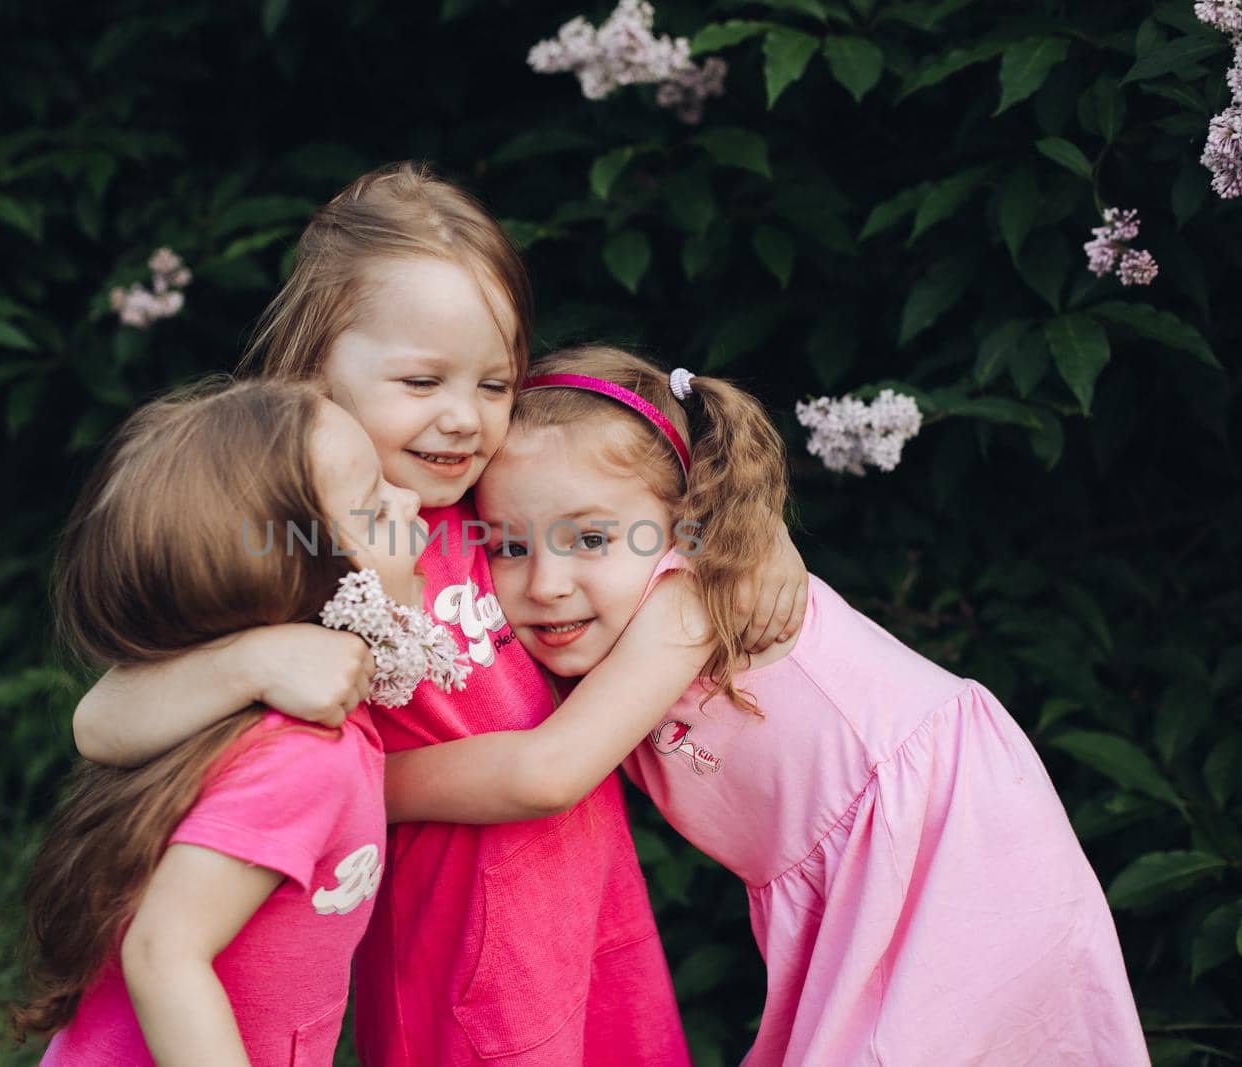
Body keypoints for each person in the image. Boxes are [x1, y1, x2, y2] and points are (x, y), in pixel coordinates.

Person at [70, 163, 809, 1065]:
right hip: (460, 954)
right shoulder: (321, 543)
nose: (464, 419)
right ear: (316, 368)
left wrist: (759, 534)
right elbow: (101, 717)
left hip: (588, 909)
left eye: (494, 386)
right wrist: (255, 662)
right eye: (422, 383)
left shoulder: (504, 508)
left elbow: (651, 474)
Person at [385, 345, 1151, 1066]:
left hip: (946, 839)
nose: (545, 581)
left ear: (685, 525)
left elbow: (547, 772)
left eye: (589, 537)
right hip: (871, 860)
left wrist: (366, 782)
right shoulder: (600, 622)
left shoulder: (687, 599)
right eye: (511, 547)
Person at [17, 379, 421, 1065]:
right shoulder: (300, 757)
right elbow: (162, 950)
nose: (411, 501)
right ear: (302, 583)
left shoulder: (225, 708)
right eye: (378, 503)